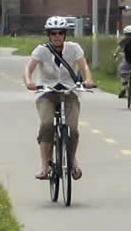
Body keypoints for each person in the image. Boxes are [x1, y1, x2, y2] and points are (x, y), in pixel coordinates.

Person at [23, 16, 95, 180]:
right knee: (47, 125)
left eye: (60, 32)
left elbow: (83, 65)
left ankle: (72, 159)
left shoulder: (74, 48)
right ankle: (44, 166)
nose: (57, 36)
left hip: (69, 92)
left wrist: (88, 80)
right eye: (53, 33)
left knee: (73, 130)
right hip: (47, 92)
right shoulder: (41, 50)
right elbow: (29, 67)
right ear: (48, 34)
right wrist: (29, 82)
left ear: (65, 34)